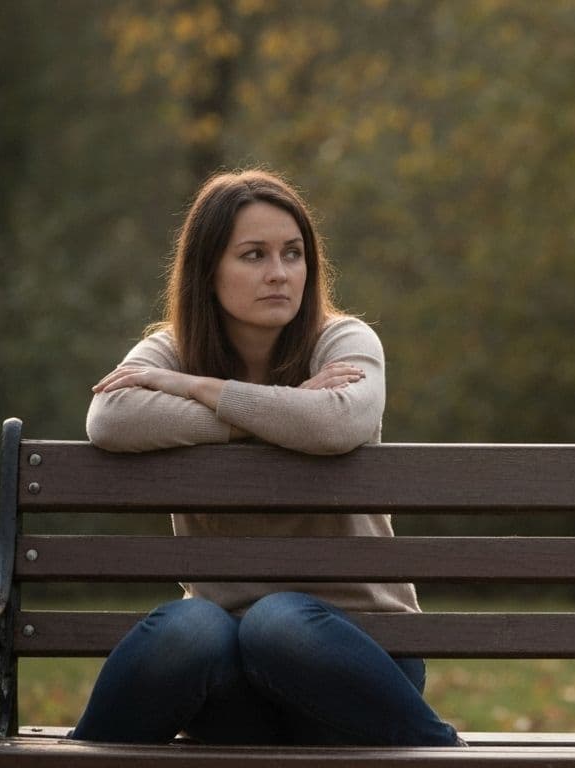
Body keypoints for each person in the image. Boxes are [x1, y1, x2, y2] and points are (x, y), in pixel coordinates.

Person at [73, 169, 463, 747]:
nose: (280, 274)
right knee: (190, 624)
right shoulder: (170, 349)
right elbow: (110, 417)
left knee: (277, 621)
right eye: (254, 255)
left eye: (293, 253)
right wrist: (272, 416)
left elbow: (338, 420)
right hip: (227, 667)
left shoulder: (344, 340)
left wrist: (203, 390)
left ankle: (440, 753)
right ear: (208, 271)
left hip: (359, 660)